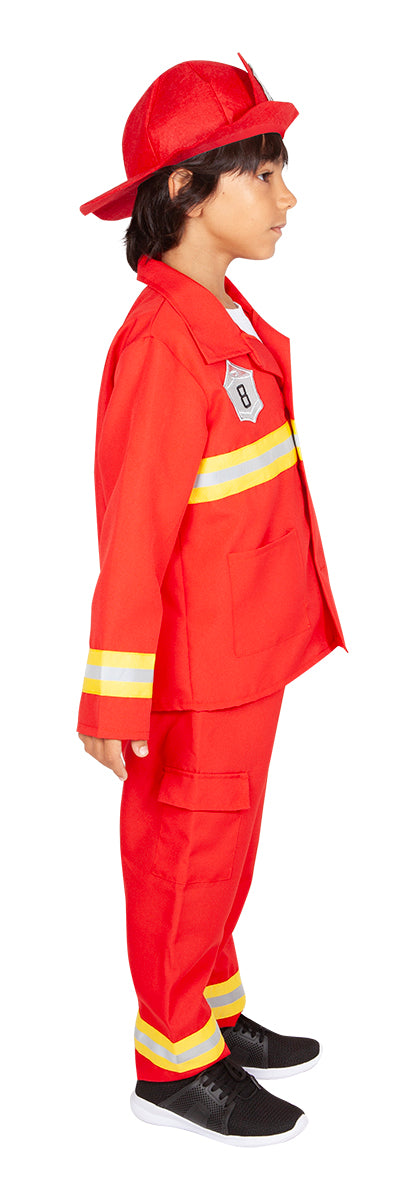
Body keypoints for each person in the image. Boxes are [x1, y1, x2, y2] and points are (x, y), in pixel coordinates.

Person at [77, 52, 347, 1146]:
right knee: (185, 853)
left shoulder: (218, 316)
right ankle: (173, 1063)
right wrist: (113, 694)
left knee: (222, 848)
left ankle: (213, 1012)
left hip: (244, 651)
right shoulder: (164, 344)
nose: (287, 197)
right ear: (188, 188)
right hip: (193, 667)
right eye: (264, 173)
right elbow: (132, 534)